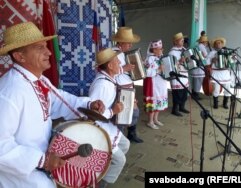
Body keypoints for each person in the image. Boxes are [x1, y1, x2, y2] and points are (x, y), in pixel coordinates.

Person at [0, 22, 105, 188]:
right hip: (21, 175)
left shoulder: (39, 80)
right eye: (39, 48)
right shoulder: (9, 92)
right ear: (20, 56)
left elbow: (60, 100)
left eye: (45, 46)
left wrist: (88, 104)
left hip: (42, 160)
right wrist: (41, 160)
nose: (49, 52)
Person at [88, 48, 130, 187]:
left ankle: (104, 166)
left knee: (125, 144)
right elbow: (92, 115)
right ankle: (99, 184)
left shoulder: (109, 79)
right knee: (120, 160)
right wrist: (113, 111)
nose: (119, 62)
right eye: (116, 61)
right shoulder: (102, 85)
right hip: (99, 129)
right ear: (110, 66)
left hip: (107, 125)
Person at [111, 27, 143, 143]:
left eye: (131, 43)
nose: (130, 45)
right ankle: (118, 139)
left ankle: (129, 134)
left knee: (132, 112)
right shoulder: (113, 53)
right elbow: (109, 71)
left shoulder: (122, 53)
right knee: (123, 116)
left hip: (127, 87)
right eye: (128, 43)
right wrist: (125, 68)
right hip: (121, 89)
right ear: (120, 42)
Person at [143, 39, 168, 129]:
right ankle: (150, 121)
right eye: (160, 49)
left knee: (159, 102)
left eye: (162, 48)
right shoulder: (149, 59)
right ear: (154, 50)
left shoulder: (161, 58)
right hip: (153, 84)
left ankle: (156, 119)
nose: (162, 50)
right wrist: (158, 70)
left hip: (161, 83)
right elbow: (147, 73)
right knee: (153, 102)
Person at [206, 37, 231, 109]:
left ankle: (225, 103)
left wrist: (233, 58)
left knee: (228, 89)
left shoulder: (226, 51)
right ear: (214, 45)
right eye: (216, 43)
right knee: (216, 89)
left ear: (222, 44)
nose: (218, 45)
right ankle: (215, 103)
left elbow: (231, 61)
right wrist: (211, 60)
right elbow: (206, 62)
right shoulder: (212, 53)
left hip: (225, 73)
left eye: (219, 43)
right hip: (216, 73)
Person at [168, 32, 190, 116]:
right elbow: (170, 65)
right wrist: (179, 61)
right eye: (181, 40)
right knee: (177, 93)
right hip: (177, 75)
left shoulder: (184, 49)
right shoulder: (172, 52)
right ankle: (175, 109)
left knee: (184, 91)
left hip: (184, 73)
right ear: (175, 42)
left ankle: (182, 107)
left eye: (183, 40)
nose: (183, 42)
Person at [189, 35, 209, 100]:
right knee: (199, 80)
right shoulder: (202, 47)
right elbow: (205, 55)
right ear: (204, 42)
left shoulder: (196, 46)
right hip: (199, 66)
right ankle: (196, 94)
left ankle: (193, 93)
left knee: (195, 81)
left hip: (195, 66)